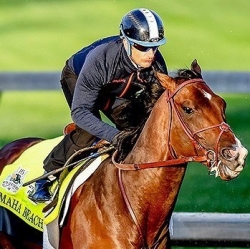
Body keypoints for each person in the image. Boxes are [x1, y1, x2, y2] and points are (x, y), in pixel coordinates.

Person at [29, 8, 168, 203]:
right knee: (88, 132)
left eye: (155, 47)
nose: (151, 54)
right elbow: (80, 112)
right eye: (143, 47)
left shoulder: (156, 65)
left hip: (113, 89)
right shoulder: (101, 59)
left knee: (138, 130)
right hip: (77, 76)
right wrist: (113, 135)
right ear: (126, 42)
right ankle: (47, 176)